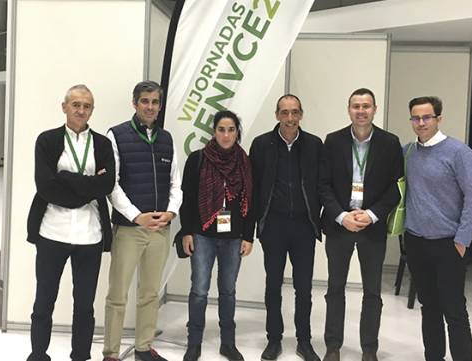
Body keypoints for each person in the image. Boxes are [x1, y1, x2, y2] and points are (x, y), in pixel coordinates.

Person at [26, 85, 116, 361]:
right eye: (76, 104)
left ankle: (80, 355)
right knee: (44, 302)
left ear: (92, 110)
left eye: (87, 106)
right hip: (52, 233)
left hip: (90, 236)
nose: (81, 110)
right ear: (64, 107)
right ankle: (39, 354)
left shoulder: (102, 144)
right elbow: (45, 186)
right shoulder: (47, 141)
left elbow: (107, 184)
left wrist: (66, 177)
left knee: (85, 305)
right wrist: (88, 187)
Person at [319, 88, 403, 361]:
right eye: (356, 106)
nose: (361, 111)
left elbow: (396, 187)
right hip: (340, 225)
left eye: (366, 106)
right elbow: (323, 185)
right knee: (335, 289)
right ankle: (333, 346)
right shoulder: (333, 141)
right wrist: (342, 216)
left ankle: (369, 349)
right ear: (349, 110)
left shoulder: (390, 143)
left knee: (372, 292)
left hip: (372, 226)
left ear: (374, 109)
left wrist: (372, 214)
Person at [102, 81, 183, 361]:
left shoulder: (167, 139)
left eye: (155, 102)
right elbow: (111, 185)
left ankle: (143, 347)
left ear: (160, 106)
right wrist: (137, 216)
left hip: (160, 229)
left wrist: (171, 212)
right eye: (145, 101)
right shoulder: (116, 135)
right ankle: (111, 353)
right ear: (134, 103)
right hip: (129, 229)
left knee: (150, 293)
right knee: (118, 294)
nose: (150, 107)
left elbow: (176, 183)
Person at [404, 96, 472, 361]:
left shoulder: (459, 153)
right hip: (416, 242)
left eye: (427, 117)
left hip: (449, 244)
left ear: (439, 118)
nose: (421, 122)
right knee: (429, 308)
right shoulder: (409, 152)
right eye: (416, 118)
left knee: (454, 310)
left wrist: (462, 240)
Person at [249, 94, 325, 361]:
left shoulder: (315, 144)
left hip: (304, 226)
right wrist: (254, 226)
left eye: (294, 112)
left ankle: (304, 340)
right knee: (273, 285)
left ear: (301, 114)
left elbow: (322, 185)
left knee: (304, 287)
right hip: (275, 226)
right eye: (285, 112)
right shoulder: (261, 145)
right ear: (277, 115)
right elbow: (253, 188)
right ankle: (274, 339)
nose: (290, 118)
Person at [180, 110, 255, 361]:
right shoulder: (198, 159)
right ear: (214, 131)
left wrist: (248, 236)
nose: (226, 134)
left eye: (231, 129)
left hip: (233, 237)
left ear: (237, 133)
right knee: (200, 289)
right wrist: (187, 232)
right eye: (221, 129)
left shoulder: (245, 162)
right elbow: (188, 199)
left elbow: (251, 202)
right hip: (202, 235)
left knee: (228, 291)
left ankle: (228, 343)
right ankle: (194, 343)